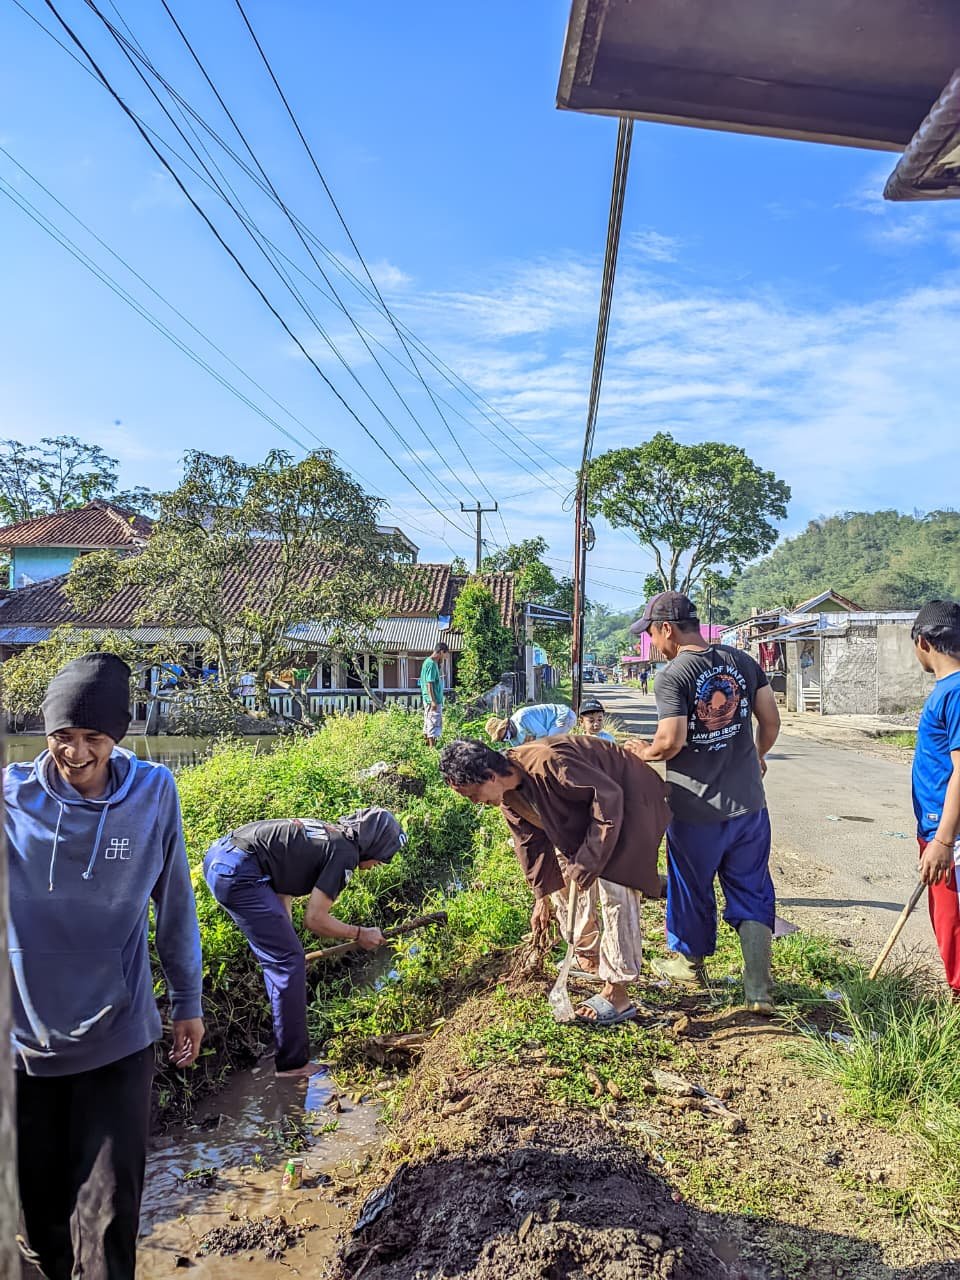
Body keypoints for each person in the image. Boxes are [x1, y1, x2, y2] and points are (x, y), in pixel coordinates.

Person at [6, 653, 204, 1279]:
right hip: (22, 1046)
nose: (77, 751)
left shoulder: (153, 794)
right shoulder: (9, 796)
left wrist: (187, 1000)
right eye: (63, 735)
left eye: (94, 737)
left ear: (118, 736)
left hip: (117, 1034)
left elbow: (174, 901)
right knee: (38, 1226)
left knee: (109, 1227)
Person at [439, 737, 669, 1026]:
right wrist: (541, 898)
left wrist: (587, 863)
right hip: (589, 815)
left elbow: (608, 800)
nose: (476, 803)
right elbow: (529, 844)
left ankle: (617, 993)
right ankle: (590, 956)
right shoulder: (509, 796)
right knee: (564, 873)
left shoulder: (549, 762)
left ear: (490, 776)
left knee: (616, 886)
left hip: (630, 800)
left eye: (473, 794)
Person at [628, 591, 781, 1014]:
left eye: (653, 635)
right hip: (750, 805)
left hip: (696, 810)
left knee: (692, 887)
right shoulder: (742, 661)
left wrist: (643, 751)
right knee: (752, 887)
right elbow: (770, 720)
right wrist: (759, 756)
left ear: (667, 630)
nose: (654, 645)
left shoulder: (674, 675)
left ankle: (691, 966)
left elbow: (670, 741)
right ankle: (757, 990)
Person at [203, 808, 406, 1075]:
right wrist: (360, 933)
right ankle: (292, 1064)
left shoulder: (329, 836)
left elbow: (281, 883)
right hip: (239, 872)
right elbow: (316, 919)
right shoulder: (345, 853)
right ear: (373, 846)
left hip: (221, 857)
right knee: (287, 963)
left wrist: (287, 942)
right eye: (382, 857)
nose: (379, 864)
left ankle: (281, 1038)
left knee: (286, 958)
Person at [910, 600, 960, 993]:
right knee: (945, 919)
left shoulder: (956, 692)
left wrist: (943, 840)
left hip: (949, 835)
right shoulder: (949, 689)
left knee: (952, 921)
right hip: (937, 829)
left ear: (924, 642)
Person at [485, 702, 577, 747]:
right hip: (549, 727)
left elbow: (542, 734)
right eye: (502, 739)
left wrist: (531, 743)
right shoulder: (512, 740)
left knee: (548, 744)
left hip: (561, 716)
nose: (506, 738)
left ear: (505, 726)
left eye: (505, 734)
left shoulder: (522, 718)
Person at [419, 641, 449, 747]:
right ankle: (431, 749)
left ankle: (427, 747)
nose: (446, 656)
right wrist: (433, 701)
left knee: (429, 722)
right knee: (432, 723)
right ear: (441, 652)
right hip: (432, 700)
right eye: (446, 654)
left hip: (434, 699)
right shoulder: (431, 664)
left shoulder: (433, 662)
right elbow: (429, 683)